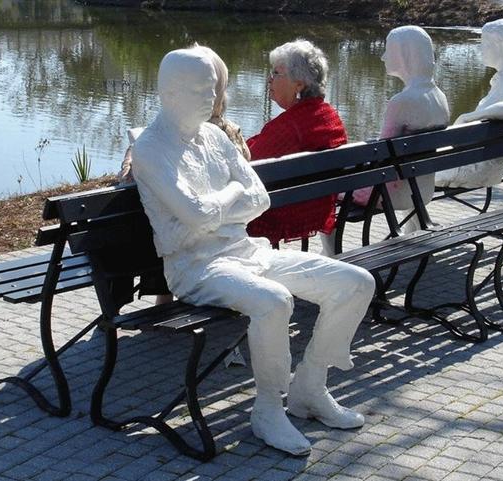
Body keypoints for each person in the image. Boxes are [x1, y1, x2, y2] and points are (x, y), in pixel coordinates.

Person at [130, 47, 375, 456]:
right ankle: (268, 411)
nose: (211, 98)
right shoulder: (151, 148)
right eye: (199, 90)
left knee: (355, 282)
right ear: (169, 92)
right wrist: (231, 194)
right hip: (197, 268)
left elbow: (259, 199)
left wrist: (216, 207)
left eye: (212, 88)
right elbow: (196, 213)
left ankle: (310, 388)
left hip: (247, 252)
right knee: (273, 302)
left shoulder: (214, 136)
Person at [119, 45, 251, 305]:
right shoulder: (232, 134)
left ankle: (156, 301)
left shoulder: (206, 138)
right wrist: (234, 191)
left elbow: (126, 182)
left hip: (177, 253)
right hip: (221, 239)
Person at [245, 39, 346, 249]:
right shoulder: (329, 116)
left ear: (299, 84)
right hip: (319, 207)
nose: (269, 79)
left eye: (276, 73)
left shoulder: (290, 127)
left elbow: (248, 163)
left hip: (287, 212)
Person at [350, 26, 450, 234]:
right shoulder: (440, 97)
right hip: (423, 189)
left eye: (389, 50)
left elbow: (380, 154)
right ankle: (415, 230)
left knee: (329, 189)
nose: (383, 57)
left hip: (393, 194)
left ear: (405, 54)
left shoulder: (402, 101)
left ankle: (331, 250)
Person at [436, 19, 503, 188]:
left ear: (502, 46)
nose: (481, 49)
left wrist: (469, 117)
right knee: (413, 167)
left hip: (478, 169)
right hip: (484, 160)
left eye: (485, 44)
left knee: (407, 173)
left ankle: (415, 206)